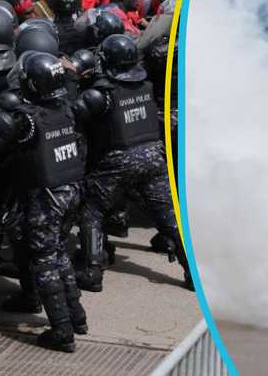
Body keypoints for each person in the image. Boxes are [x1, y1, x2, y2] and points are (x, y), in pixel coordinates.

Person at [75, 34, 192, 292]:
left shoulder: (100, 94)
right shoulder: (145, 85)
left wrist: (75, 77)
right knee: (170, 218)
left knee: (91, 211)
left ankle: (92, 272)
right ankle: (193, 273)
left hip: (119, 160)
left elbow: (74, 115)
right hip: (153, 157)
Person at [0, 52, 89, 352]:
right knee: (59, 252)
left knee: (44, 261)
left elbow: (2, 144)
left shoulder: (28, 119)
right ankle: (77, 316)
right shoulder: (67, 109)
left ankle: (62, 330)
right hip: (72, 193)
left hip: (47, 198)